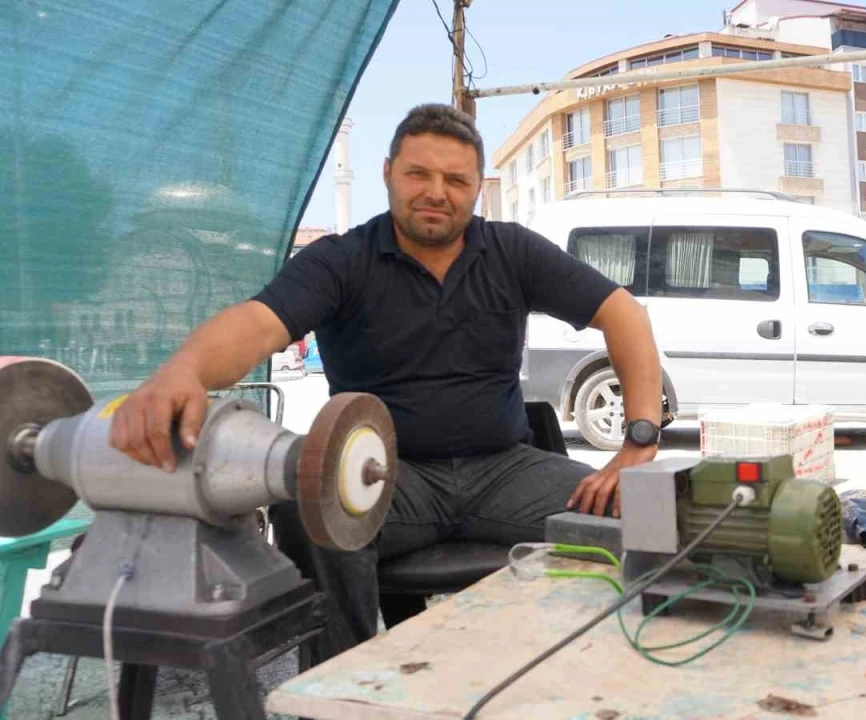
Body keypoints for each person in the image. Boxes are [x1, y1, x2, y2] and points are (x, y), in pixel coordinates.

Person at [106, 103, 665, 654]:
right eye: (419, 173)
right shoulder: (340, 261)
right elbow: (257, 324)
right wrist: (183, 370)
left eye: (456, 180)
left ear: (477, 188)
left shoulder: (512, 251)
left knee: (651, 513)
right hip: (383, 476)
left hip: (504, 471)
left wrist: (638, 443)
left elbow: (624, 315)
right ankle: (338, 681)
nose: (436, 192)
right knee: (305, 507)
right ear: (388, 173)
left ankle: (616, 671)